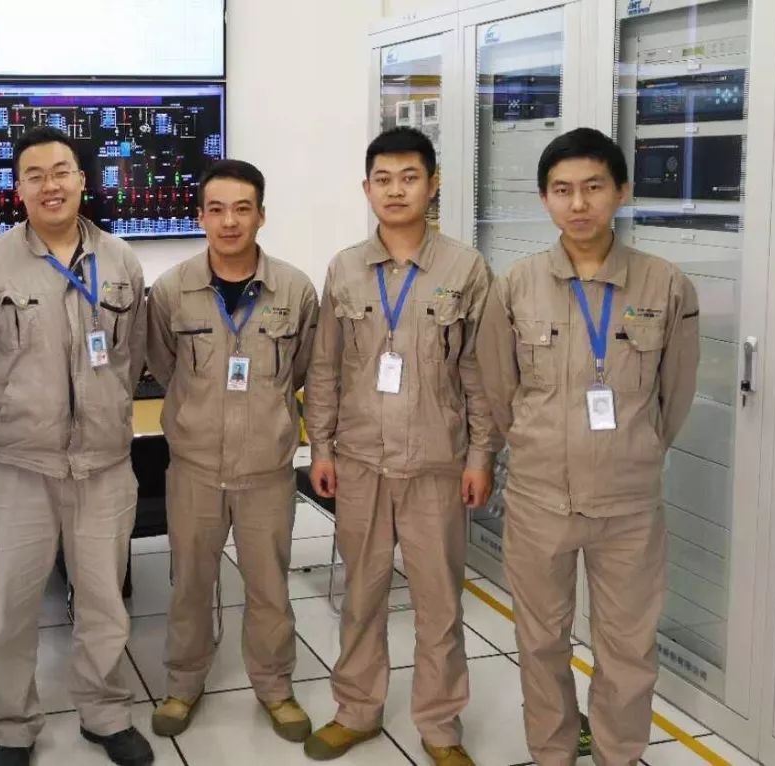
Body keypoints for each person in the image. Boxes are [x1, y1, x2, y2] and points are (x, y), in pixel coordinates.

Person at [475, 127, 700, 765]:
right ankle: (552, 751)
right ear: (545, 198)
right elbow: (500, 389)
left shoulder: (664, 285)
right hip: (539, 499)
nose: (578, 204)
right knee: (541, 640)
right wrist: (536, 442)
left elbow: (675, 394)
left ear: (621, 192)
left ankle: (617, 753)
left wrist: (637, 448)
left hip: (628, 507)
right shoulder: (516, 285)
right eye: (562, 190)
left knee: (628, 648)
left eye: (593, 188)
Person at [0, 126, 151, 766]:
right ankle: (14, 726)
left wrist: (102, 412)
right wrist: (14, 413)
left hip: (103, 465)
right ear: (18, 189)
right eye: (34, 175)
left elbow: (130, 355)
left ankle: (104, 713)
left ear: (82, 180)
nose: (50, 185)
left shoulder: (120, 260)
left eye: (61, 171)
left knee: (104, 603)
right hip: (20, 466)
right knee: (12, 610)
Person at [302, 127, 499, 765]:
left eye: (409, 178)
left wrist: (481, 456)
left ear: (433, 185)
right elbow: (324, 368)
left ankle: (440, 728)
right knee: (361, 595)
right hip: (360, 461)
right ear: (366, 189)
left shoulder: (465, 269)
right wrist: (320, 447)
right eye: (383, 180)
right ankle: (357, 710)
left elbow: (479, 374)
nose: (395, 191)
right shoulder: (344, 269)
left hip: (436, 465)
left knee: (439, 603)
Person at [145, 160, 319, 742]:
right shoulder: (171, 290)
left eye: (242, 209)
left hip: (267, 470)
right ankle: (183, 683)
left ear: (261, 215)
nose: (229, 221)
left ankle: (275, 687)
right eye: (216, 209)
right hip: (194, 468)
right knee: (190, 584)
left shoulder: (294, 290)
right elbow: (165, 366)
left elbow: (302, 370)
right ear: (200, 216)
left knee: (269, 586)